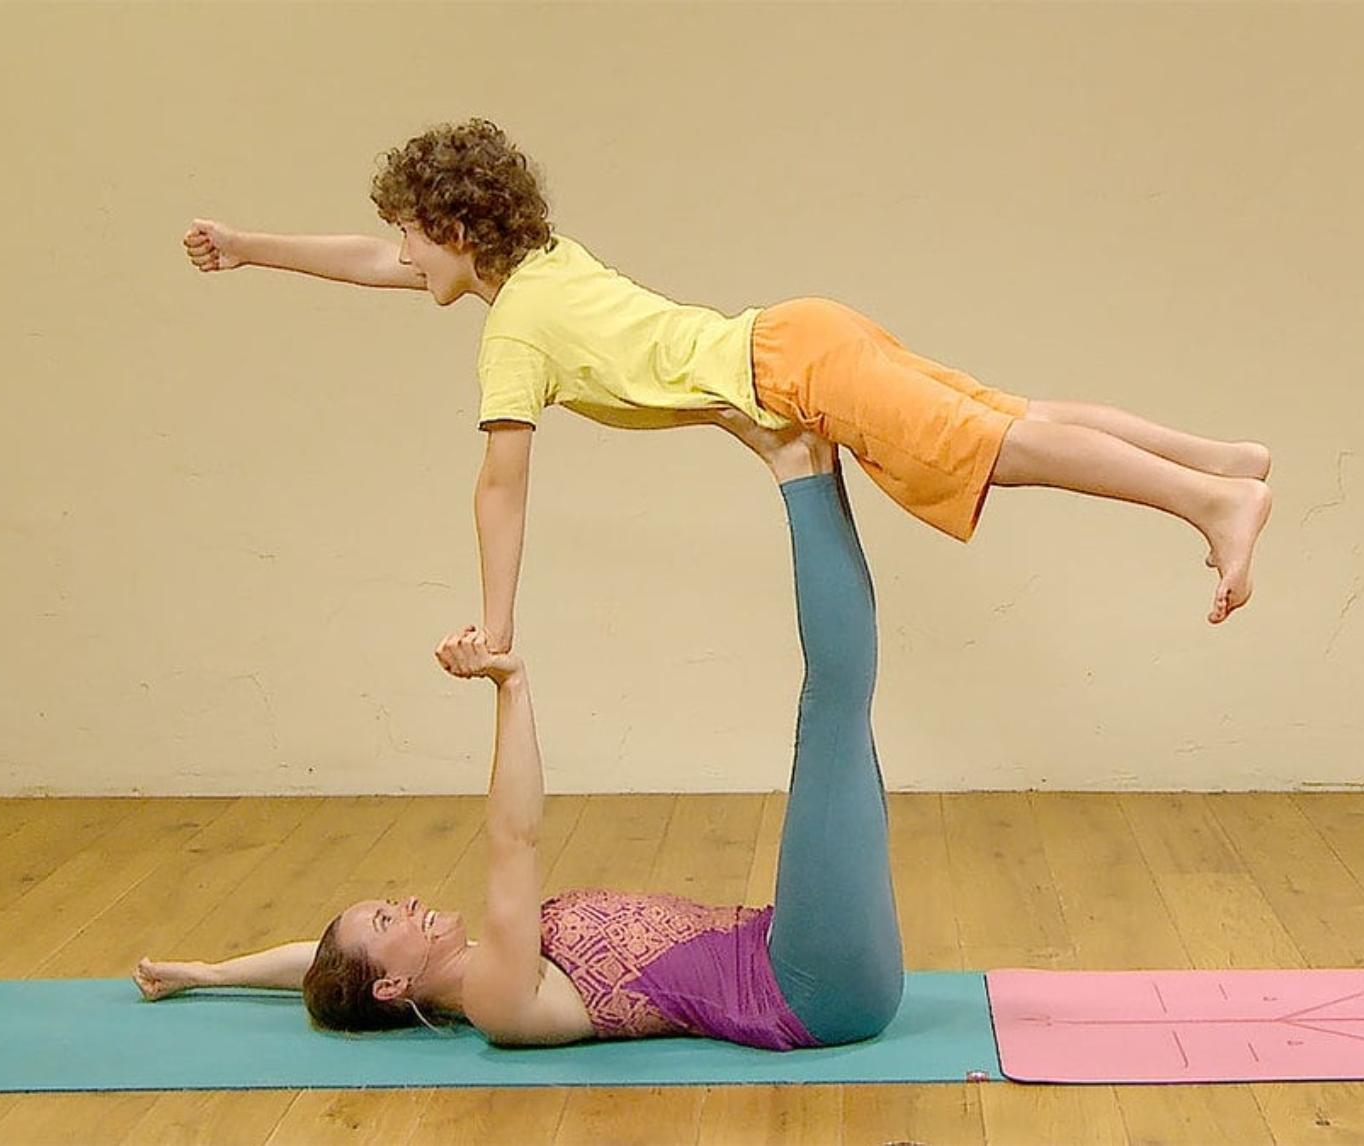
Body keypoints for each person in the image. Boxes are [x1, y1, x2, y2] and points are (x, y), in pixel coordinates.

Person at [180, 119, 1273, 635]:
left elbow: (499, 489)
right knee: (1007, 411)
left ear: (460, 234)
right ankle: (1221, 459)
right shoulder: (539, 264)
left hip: (791, 368)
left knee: (998, 447)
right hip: (800, 334)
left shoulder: (515, 331)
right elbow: (374, 264)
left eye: (414, 236)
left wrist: (496, 624)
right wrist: (249, 248)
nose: (401, 256)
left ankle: (1212, 501)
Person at [134, 432, 905, 1050]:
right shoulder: (499, 996)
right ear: (393, 989)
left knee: (840, 718)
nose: (406, 904)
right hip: (805, 990)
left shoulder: (462, 963)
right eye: (388, 921)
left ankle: (812, 459)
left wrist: (205, 972)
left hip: (791, 946)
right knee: (832, 711)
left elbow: (323, 961)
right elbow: (514, 836)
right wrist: (512, 686)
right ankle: (800, 466)